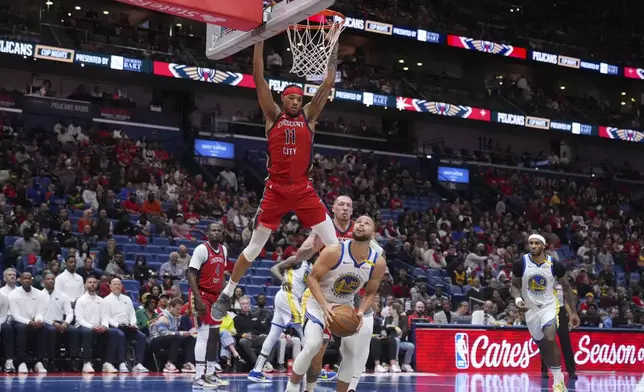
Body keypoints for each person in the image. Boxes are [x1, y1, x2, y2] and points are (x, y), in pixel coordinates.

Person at [211, 37, 341, 321]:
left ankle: (334, 295)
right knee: (254, 248)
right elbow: (258, 78)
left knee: (335, 245)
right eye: (292, 98)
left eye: (299, 99)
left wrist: (333, 52)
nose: (296, 102)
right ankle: (228, 291)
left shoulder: (309, 115)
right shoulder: (273, 116)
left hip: (303, 190)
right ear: (283, 99)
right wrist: (258, 42)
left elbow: (326, 85)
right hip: (276, 191)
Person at [285, 215, 387, 392]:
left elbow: (371, 292)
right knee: (312, 345)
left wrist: (361, 311)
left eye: (367, 223)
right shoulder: (335, 251)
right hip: (317, 302)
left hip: (345, 305)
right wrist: (324, 305)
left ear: (373, 234)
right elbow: (312, 278)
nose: (361, 224)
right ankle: (292, 387)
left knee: (351, 352)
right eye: (359, 222)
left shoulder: (377, 262)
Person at [511, 234, 580, 392]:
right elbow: (514, 286)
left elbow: (567, 288)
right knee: (543, 346)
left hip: (550, 307)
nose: (533, 246)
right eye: (531, 243)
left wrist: (574, 313)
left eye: (536, 243)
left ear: (543, 246)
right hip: (530, 309)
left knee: (550, 337)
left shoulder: (554, 264)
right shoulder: (521, 263)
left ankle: (557, 381)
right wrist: (517, 300)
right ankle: (557, 374)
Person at [247, 249, 312, 382]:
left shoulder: (312, 266)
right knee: (305, 332)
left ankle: (256, 370)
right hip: (288, 296)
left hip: (288, 299)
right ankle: (314, 370)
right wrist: (283, 279)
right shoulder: (297, 259)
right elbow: (274, 268)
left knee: (273, 335)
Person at [187, 223, 230, 389]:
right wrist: (197, 299)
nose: (216, 232)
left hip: (216, 297)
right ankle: (199, 376)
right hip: (202, 294)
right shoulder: (201, 249)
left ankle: (211, 373)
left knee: (214, 336)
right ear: (207, 233)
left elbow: (221, 275)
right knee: (203, 335)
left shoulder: (224, 250)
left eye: (219, 229)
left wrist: (225, 295)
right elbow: (191, 274)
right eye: (213, 229)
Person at [103, 277, 149, 372]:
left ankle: (138, 363)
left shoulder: (127, 299)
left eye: (119, 284)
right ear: (110, 287)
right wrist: (117, 325)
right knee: (120, 334)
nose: (117, 286)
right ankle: (122, 363)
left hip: (127, 326)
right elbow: (106, 317)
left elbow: (132, 314)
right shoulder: (106, 300)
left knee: (142, 336)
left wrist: (133, 324)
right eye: (115, 284)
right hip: (114, 327)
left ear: (122, 286)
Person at [8, 272, 47, 373]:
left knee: (43, 327)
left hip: (34, 321)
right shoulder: (13, 294)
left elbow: (40, 311)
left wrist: (38, 320)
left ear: (32, 280)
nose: (27, 280)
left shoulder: (39, 293)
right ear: (20, 280)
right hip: (19, 322)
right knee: (22, 328)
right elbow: (15, 315)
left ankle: (39, 361)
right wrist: (29, 322)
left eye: (29, 278)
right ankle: (21, 362)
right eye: (24, 278)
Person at [42, 272, 79, 372]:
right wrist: (52, 323)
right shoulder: (39, 295)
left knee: (74, 331)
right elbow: (38, 315)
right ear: (43, 281)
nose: (51, 281)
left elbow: (70, 313)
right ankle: (51, 361)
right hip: (46, 323)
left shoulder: (63, 295)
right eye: (48, 279)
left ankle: (72, 360)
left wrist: (66, 323)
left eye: (52, 279)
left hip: (61, 322)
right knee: (51, 331)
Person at [541, 282, 577, 379]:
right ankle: (544, 371)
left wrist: (570, 317)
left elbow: (565, 303)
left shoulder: (561, 285)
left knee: (566, 344)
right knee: (547, 344)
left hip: (561, 313)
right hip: (548, 311)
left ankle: (571, 371)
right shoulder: (544, 283)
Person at [75, 275, 110, 373]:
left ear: (97, 284)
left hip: (98, 326)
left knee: (112, 333)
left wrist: (104, 326)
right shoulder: (81, 300)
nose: (92, 284)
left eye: (94, 282)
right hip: (83, 326)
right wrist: (92, 326)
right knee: (88, 332)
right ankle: (86, 363)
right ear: (85, 285)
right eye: (90, 282)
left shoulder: (101, 300)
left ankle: (107, 363)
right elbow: (79, 319)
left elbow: (105, 317)